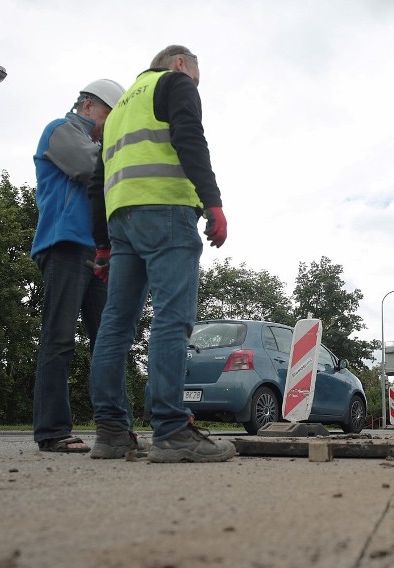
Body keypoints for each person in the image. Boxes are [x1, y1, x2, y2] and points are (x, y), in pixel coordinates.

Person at [86, 45, 235, 462]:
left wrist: (103, 243)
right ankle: (171, 430)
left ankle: (112, 432)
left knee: (115, 326)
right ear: (183, 64)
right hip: (166, 210)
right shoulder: (176, 83)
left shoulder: (116, 113)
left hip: (122, 222)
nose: (196, 86)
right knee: (172, 317)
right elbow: (190, 137)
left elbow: (97, 180)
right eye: (196, 78)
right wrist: (213, 201)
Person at [31, 79, 126, 452]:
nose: (110, 124)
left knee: (109, 342)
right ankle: (52, 431)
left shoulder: (101, 143)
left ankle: (116, 428)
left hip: (100, 251)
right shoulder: (61, 130)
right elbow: (90, 168)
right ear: (88, 106)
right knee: (59, 339)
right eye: (108, 115)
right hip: (65, 245)